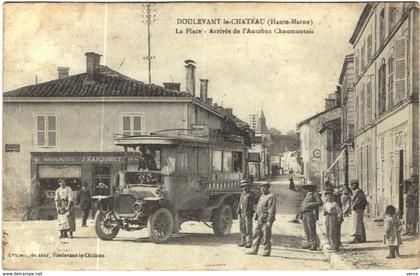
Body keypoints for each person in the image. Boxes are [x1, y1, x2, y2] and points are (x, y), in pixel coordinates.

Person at [248, 181, 276, 257]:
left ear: (268, 188)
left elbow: (272, 210)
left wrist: (269, 221)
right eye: (261, 188)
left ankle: (266, 251)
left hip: (266, 220)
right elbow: (259, 207)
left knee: (266, 236)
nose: (263, 189)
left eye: (265, 187)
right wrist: (256, 217)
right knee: (256, 234)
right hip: (260, 220)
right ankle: (254, 250)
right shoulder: (262, 196)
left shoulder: (271, 196)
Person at [300, 184, 322, 250]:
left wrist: (310, 205)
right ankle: (309, 243)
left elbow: (320, 203)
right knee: (306, 229)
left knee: (311, 229)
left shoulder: (315, 194)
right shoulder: (307, 194)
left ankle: (313, 244)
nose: (308, 188)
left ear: (313, 188)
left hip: (311, 213)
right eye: (307, 187)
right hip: (304, 213)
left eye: (310, 187)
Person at [237, 180, 255, 248]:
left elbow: (253, 204)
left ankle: (249, 243)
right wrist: (238, 211)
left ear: (248, 186)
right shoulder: (242, 193)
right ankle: (242, 241)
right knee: (242, 227)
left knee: (248, 228)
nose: (244, 188)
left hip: (248, 213)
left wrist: (251, 213)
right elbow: (240, 202)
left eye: (245, 186)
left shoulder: (251, 194)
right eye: (243, 186)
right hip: (242, 212)